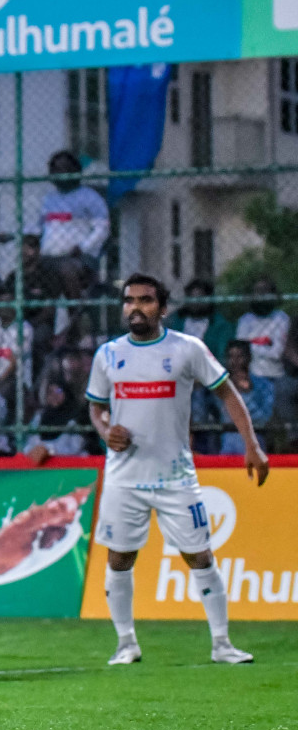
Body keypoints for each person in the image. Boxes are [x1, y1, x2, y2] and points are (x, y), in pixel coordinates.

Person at [86, 274, 268, 666]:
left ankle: (222, 644)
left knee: (199, 556)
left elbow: (226, 391)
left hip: (175, 476)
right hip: (123, 476)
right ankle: (126, 644)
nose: (136, 307)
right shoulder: (108, 355)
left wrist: (251, 443)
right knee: (119, 558)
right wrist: (106, 430)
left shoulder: (187, 349)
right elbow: (96, 407)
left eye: (146, 300)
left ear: (163, 308)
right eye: (130, 300)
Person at [29, 150, 109, 278]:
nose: (59, 173)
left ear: (75, 170)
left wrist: (83, 247)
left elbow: (102, 229)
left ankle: (76, 299)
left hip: (81, 257)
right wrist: (14, 236)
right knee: (26, 274)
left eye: (63, 168)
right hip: (49, 256)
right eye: (55, 169)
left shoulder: (89, 196)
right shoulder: (49, 199)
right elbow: (37, 228)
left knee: (68, 270)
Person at [234, 277, 293, 439]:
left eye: (265, 291)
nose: (261, 296)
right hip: (252, 375)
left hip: (276, 375)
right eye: (257, 292)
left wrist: (253, 346)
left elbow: (277, 353)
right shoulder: (245, 320)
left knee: (278, 418)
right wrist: (265, 344)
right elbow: (241, 352)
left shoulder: (282, 319)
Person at [200, 340, 273, 456]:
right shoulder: (219, 386)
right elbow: (210, 415)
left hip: (254, 440)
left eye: (239, 356)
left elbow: (263, 419)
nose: (235, 362)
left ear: (249, 358)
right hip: (226, 442)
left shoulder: (264, 385)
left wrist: (246, 393)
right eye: (231, 356)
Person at [167, 279, 235, 362]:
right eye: (192, 298)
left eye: (199, 298)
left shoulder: (220, 325)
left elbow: (222, 356)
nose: (195, 303)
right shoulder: (175, 320)